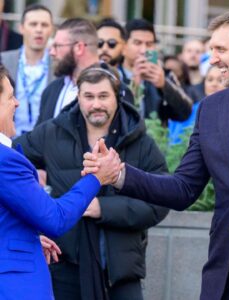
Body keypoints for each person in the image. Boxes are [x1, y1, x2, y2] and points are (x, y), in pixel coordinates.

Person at [84, 10, 229, 300]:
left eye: (220, 49)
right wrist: (120, 175)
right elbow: (184, 188)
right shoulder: (210, 109)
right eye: (211, 49)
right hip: (223, 279)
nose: (212, 59)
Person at [15, 64, 169, 300]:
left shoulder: (141, 143)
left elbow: (160, 201)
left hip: (121, 271)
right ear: (78, 97)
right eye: (88, 96)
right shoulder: (51, 133)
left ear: (117, 96)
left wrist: (102, 208)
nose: (96, 104)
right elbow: (10, 159)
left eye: (103, 96)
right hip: (64, 267)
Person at [0, 64, 121, 300]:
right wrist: (97, 178)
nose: (17, 103)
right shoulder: (6, 160)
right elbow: (54, 219)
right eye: (10, 96)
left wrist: (27, 238)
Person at [120, 18, 192, 126]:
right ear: (124, 46)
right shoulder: (114, 75)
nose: (143, 50)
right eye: (137, 43)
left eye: (149, 44)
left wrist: (164, 85)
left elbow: (185, 113)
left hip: (156, 141)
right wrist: (134, 85)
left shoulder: (165, 74)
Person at [1, 4, 54, 136]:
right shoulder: (3, 60)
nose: (39, 29)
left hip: (44, 143)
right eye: (33, 24)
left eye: (44, 25)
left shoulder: (59, 67)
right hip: (9, 139)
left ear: (51, 29)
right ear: (21, 28)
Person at [36, 18, 99, 126]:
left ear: (79, 48)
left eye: (57, 46)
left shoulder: (116, 91)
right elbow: (37, 138)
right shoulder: (51, 90)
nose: (51, 52)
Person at [168, 65, 224, 144]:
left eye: (220, 80)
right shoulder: (191, 110)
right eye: (210, 80)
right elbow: (174, 142)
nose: (214, 84)